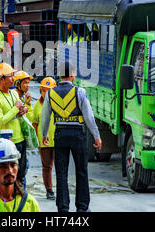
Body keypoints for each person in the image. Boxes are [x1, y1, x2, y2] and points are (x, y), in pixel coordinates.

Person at [41, 60, 102, 212]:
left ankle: (63, 207)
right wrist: (96, 135)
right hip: (77, 135)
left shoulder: (50, 92)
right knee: (81, 170)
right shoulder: (79, 92)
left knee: (61, 172)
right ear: (73, 75)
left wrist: (44, 134)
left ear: (60, 75)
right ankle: (82, 207)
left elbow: (45, 117)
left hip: (60, 134)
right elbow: (89, 117)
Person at [0, 63, 28, 187]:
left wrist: (24, 109)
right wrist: (16, 109)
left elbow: (20, 109)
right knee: (7, 174)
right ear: (1, 79)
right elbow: (0, 121)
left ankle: (19, 197)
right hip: (6, 141)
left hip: (20, 138)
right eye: (10, 76)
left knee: (21, 173)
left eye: (13, 76)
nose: (13, 78)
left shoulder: (14, 94)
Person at [31, 77, 57, 200]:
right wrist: (37, 140)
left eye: (49, 90)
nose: (45, 93)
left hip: (58, 140)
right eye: (43, 90)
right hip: (44, 142)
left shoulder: (58, 104)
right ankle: (49, 190)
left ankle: (62, 189)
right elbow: (34, 124)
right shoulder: (37, 106)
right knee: (47, 166)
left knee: (61, 166)